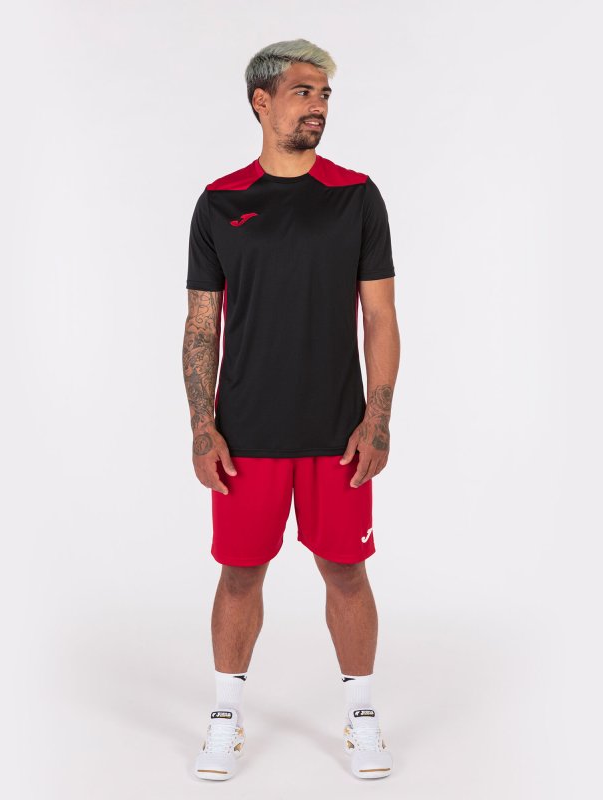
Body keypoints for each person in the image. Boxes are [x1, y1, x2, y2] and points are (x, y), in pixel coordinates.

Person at [182, 38, 400, 781]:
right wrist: (202, 427)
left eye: (326, 94)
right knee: (240, 574)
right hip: (246, 432)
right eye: (305, 91)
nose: (319, 106)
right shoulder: (220, 201)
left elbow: (381, 317)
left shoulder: (356, 195)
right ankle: (224, 715)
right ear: (262, 100)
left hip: (337, 432)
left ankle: (362, 715)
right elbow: (202, 325)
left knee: (347, 570)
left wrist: (377, 419)